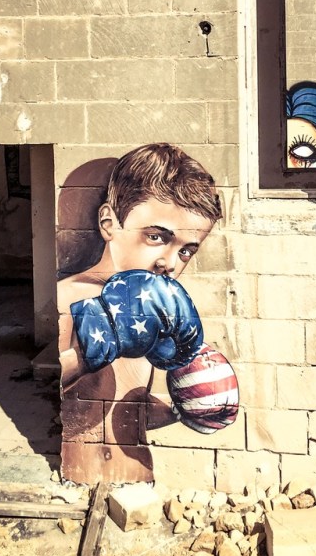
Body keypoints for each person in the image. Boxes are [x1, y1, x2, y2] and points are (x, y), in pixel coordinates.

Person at [57, 143, 223, 482]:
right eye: (157, 237)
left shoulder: (156, 313)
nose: (170, 262)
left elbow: (128, 413)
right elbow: (44, 387)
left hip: (137, 479)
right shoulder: (70, 297)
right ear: (109, 223)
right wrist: (88, 353)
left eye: (187, 251)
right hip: (81, 485)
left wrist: (190, 405)